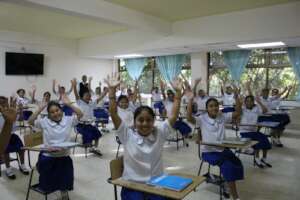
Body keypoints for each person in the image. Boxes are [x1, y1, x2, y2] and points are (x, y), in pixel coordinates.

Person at [105, 73, 182, 200]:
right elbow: (113, 113)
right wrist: (112, 92)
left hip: (156, 185)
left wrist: (178, 94)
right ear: (134, 123)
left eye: (148, 120)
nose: (145, 124)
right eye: (140, 120)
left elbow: (173, 116)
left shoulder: (160, 133)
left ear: (153, 122)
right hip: (132, 186)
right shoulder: (127, 135)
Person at [186, 88, 243, 200]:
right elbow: (189, 117)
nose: (214, 108)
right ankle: (235, 197)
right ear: (207, 109)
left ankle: (227, 181)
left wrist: (236, 97)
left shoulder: (222, 116)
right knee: (228, 166)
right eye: (211, 106)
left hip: (222, 150)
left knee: (237, 162)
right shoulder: (202, 119)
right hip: (209, 152)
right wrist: (190, 100)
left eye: (216, 105)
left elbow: (238, 113)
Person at [28, 96, 83, 200]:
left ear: (61, 110)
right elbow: (30, 121)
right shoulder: (45, 122)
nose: (55, 113)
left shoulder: (68, 120)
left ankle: (64, 192)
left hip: (63, 156)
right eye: (52, 112)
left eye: (57, 110)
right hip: (48, 157)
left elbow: (81, 114)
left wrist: (69, 104)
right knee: (48, 184)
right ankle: (40, 167)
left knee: (65, 177)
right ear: (48, 114)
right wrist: (39, 109)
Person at [0, 96, 30, 179]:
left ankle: (23, 165)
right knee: (5, 151)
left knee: (22, 148)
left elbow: (20, 119)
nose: (2, 104)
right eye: (1, 103)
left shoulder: (11, 111)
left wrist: (20, 111)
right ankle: (8, 168)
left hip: (13, 135)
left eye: (4, 102)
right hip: (3, 136)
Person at [239, 95, 272, 168]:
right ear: (245, 102)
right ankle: (257, 159)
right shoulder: (243, 109)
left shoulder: (256, 109)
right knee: (258, 140)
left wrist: (259, 102)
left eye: (251, 101)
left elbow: (265, 110)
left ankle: (264, 158)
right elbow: (237, 111)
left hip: (254, 132)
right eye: (247, 101)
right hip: (244, 132)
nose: (249, 102)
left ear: (253, 102)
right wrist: (240, 103)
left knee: (265, 139)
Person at [72, 78, 103, 155]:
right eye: (86, 95)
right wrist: (74, 86)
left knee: (97, 133)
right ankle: (87, 145)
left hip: (88, 124)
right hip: (80, 125)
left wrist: (106, 92)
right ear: (82, 96)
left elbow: (99, 99)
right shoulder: (80, 102)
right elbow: (76, 94)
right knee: (89, 134)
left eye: (89, 95)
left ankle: (94, 148)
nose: (88, 96)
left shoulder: (91, 104)